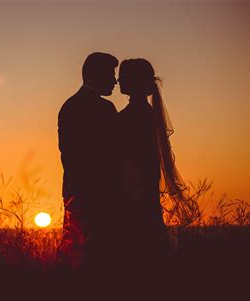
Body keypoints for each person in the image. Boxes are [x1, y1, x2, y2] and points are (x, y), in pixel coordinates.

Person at [117, 58, 198, 298]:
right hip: (143, 191)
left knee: (139, 253)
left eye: (124, 76)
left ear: (133, 81)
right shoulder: (145, 112)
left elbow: (132, 160)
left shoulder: (135, 115)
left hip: (134, 193)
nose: (119, 80)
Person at [57, 52, 123, 273]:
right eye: (111, 75)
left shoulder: (68, 106)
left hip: (75, 192)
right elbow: (115, 155)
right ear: (97, 75)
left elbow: (67, 155)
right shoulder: (105, 109)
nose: (115, 81)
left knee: (78, 253)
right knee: (100, 257)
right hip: (102, 195)